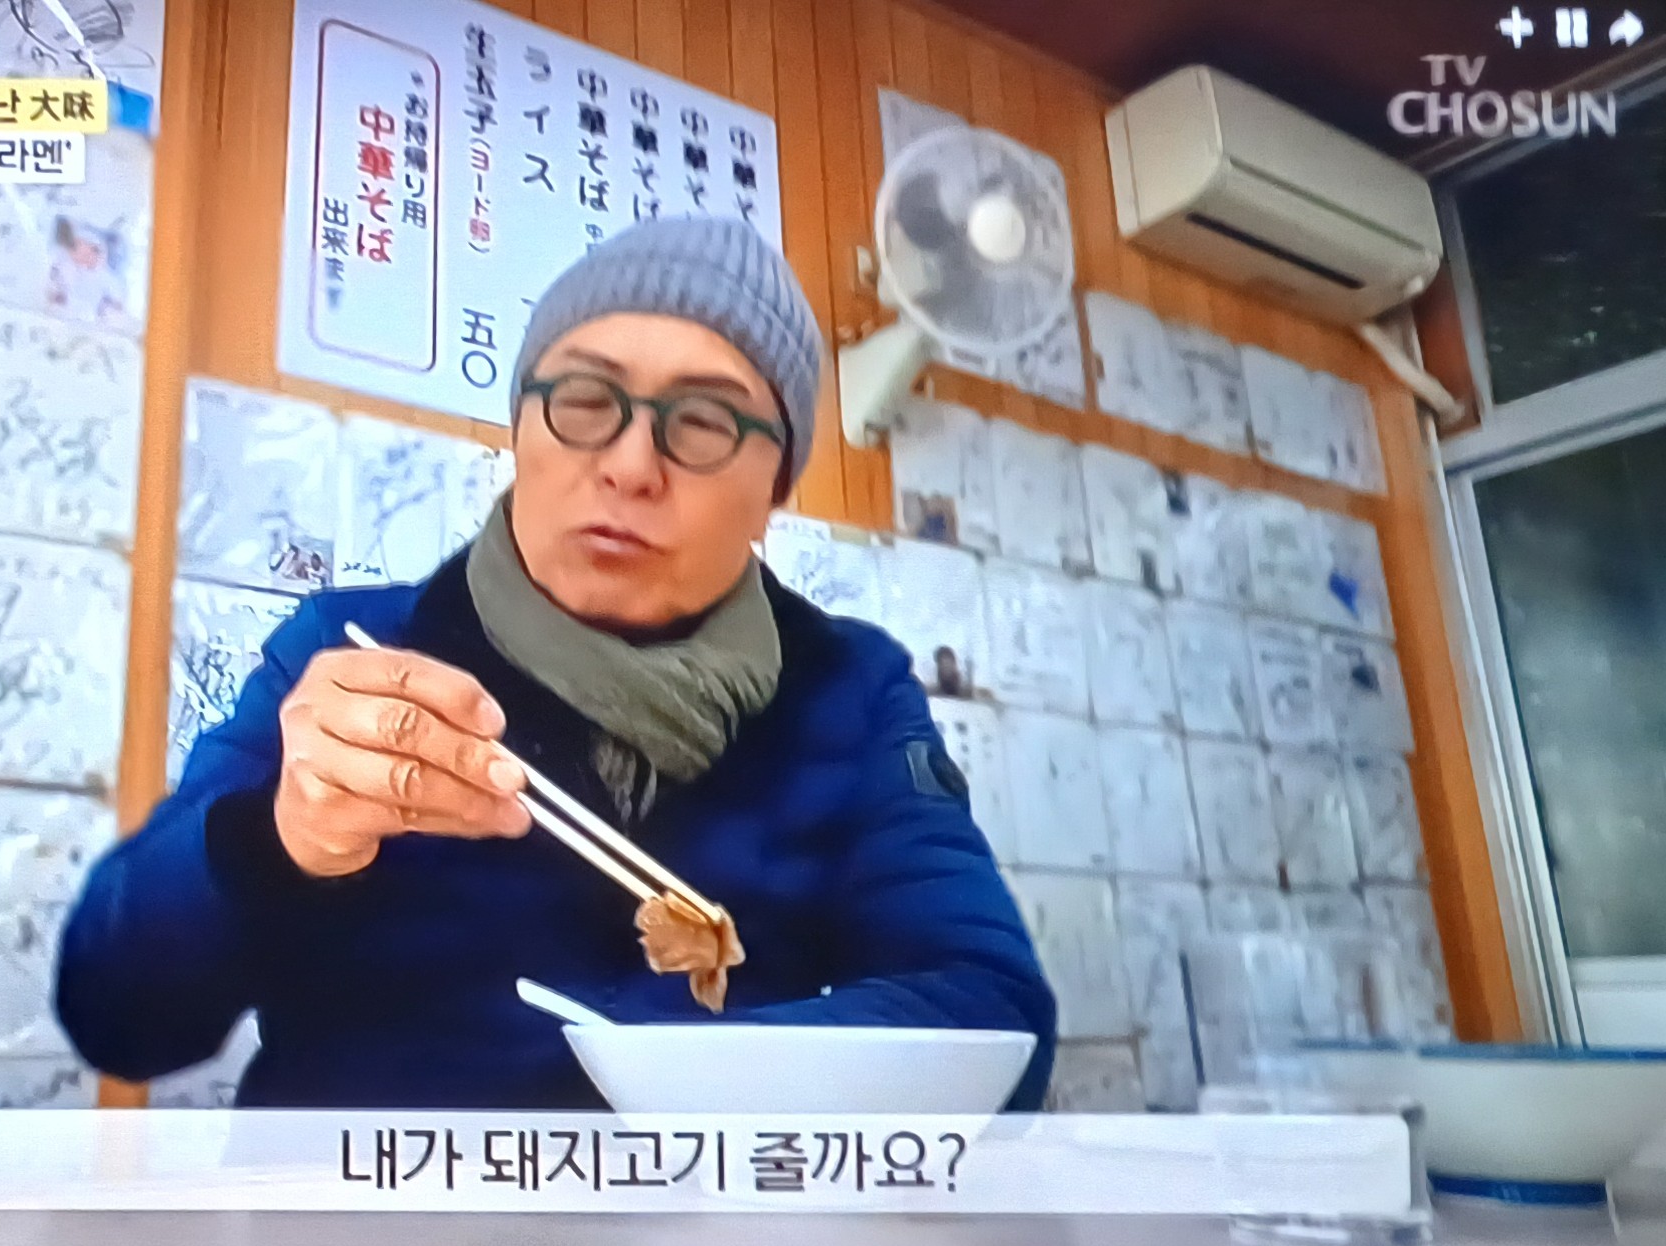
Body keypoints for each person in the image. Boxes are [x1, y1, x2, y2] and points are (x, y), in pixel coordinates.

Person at [56, 218, 1057, 1110]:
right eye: (581, 398)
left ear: (772, 489)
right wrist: (275, 840)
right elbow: (117, 1012)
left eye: (704, 422)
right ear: (519, 431)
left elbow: (987, 1014)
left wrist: (685, 1075)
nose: (628, 463)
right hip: (364, 1228)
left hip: (709, 1231)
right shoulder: (353, 649)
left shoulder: (847, 691)